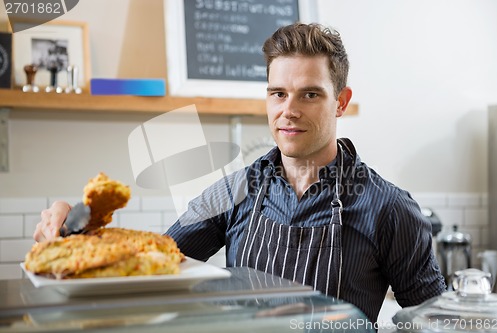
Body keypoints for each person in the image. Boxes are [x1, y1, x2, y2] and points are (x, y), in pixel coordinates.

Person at [34, 22, 446, 324]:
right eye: (278, 93)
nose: (290, 109)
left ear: (341, 101)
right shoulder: (235, 190)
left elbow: (436, 320)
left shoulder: (389, 208)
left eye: (310, 94)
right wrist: (74, 226)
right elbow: (152, 262)